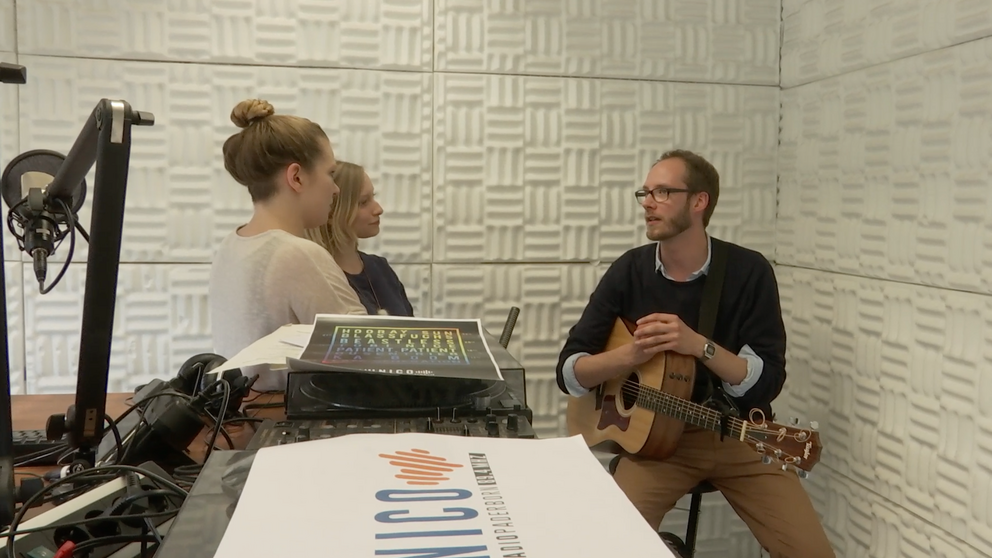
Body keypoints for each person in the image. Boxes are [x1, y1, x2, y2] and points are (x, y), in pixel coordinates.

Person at [556, 150, 834, 558]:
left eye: (663, 192)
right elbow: (569, 371)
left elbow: (769, 380)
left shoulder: (749, 272)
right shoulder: (628, 271)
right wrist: (629, 357)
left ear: (699, 202)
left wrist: (699, 346)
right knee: (605, 545)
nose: (648, 202)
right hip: (656, 445)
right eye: (645, 192)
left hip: (741, 435)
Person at [209, 99, 366, 384]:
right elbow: (363, 359)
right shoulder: (299, 254)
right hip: (283, 420)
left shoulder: (230, 245)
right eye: (330, 173)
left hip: (245, 417)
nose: (336, 188)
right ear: (296, 177)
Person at [304, 161, 414, 317]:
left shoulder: (380, 268)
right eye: (363, 202)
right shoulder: (317, 278)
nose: (378, 209)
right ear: (330, 211)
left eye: (373, 197)